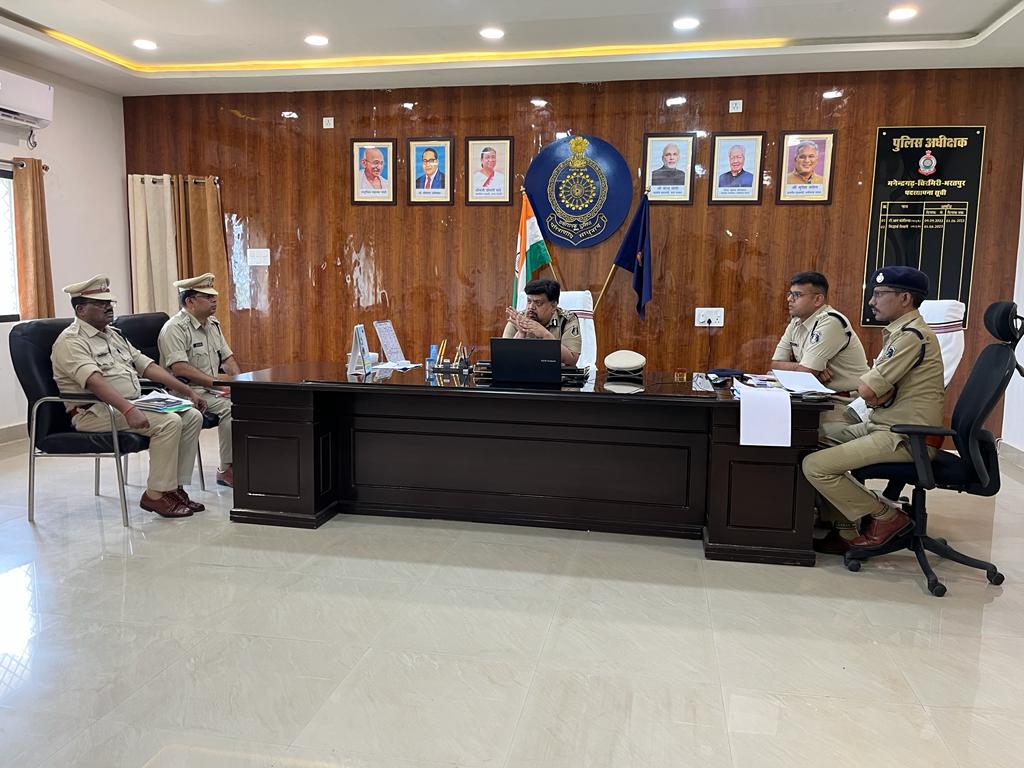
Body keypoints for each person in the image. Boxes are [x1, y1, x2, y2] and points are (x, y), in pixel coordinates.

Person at [802, 266, 945, 555]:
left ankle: (886, 516)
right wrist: (874, 394)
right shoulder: (898, 333)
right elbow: (871, 392)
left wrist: (873, 394)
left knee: (815, 466)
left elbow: (866, 390)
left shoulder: (911, 336)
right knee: (811, 439)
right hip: (882, 425)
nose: (871, 301)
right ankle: (845, 528)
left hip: (905, 436)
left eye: (879, 294)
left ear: (905, 298)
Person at [50, 275, 207, 518]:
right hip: (94, 412)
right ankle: (156, 494)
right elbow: (96, 382)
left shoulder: (113, 335)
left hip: (130, 404)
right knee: (168, 422)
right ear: (80, 310)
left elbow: (147, 366)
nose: (108, 307)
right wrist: (128, 409)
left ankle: (174, 488)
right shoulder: (71, 341)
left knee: (192, 415)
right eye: (100, 303)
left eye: (109, 302)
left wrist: (188, 392)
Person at [158, 273, 241, 488]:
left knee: (246, 402)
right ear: (190, 301)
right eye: (207, 297)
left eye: (214, 296)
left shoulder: (212, 324)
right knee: (231, 408)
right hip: (185, 391)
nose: (214, 300)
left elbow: (228, 358)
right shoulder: (174, 328)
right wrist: (220, 385)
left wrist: (239, 385)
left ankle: (244, 463)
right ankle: (226, 469)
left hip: (211, 389)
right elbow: (180, 368)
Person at [771, 271, 868, 427]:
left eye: (797, 295)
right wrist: (803, 367)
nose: (789, 299)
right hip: (815, 399)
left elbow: (806, 374)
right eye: (790, 294)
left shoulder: (831, 321)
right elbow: (775, 364)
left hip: (844, 403)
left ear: (818, 299)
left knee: (796, 429)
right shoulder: (796, 322)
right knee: (775, 421)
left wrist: (806, 370)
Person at [503, 279, 582, 366]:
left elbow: (572, 359)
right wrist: (521, 333)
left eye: (538, 303)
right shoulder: (517, 319)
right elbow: (505, 358)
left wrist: (546, 335)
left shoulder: (567, 320)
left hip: (555, 372)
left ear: (553, 306)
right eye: (529, 301)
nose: (531, 307)